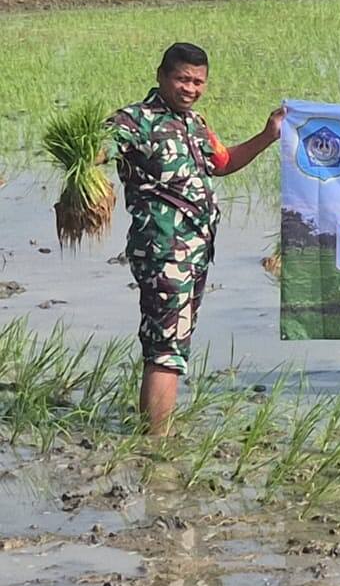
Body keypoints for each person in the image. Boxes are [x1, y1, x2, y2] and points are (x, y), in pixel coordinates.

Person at [107, 42, 283, 436]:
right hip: (163, 249)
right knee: (166, 349)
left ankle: (154, 434)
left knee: (174, 342)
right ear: (161, 76)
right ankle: (157, 442)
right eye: (182, 79)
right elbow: (92, 150)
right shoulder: (134, 121)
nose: (190, 88)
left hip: (195, 252)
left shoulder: (194, 123)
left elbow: (223, 163)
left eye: (198, 82)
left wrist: (268, 135)